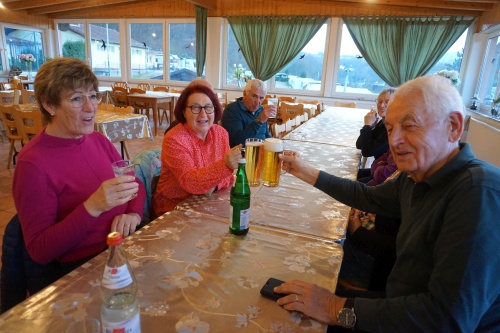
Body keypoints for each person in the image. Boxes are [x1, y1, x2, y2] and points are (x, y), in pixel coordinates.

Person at [275, 75, 500, 331]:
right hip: (398, 304)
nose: (394, 141)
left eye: (410, 125)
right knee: (286, 297)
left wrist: (335, 307)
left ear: (453, 127)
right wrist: (304, 171)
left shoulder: (479, 192)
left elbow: (447, 320)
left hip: (421, 321)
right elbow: (368, 197)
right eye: (391, 128)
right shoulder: (416, 176)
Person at [11, 58, 146, 286]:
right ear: (49, 105)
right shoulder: (32, 164)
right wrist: (93, 206)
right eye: (76, 99)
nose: (90, 107)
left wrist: (132, 214)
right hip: (84, 265)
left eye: (93, 96)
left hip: (124, 244)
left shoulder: (97, 139)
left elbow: (135, 186)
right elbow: (39, 250)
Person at [152, 84, 242, 216]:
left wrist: (213, 185)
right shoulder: (174, 139)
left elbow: (229, 177)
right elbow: (191, 183)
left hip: (209, 202)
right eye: (195, 108)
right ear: (183, 112)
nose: (203, 114)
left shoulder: (221, 133)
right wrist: (224, 166)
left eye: (208, 107)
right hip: (174, 210)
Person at [220, 79, 277, 147]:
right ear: (244, 94)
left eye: (261, 98)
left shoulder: (261, 110)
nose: (257, 102)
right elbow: (237, 142)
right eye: (254, 96)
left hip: (261, 152)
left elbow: (266, 136)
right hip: (243, 155)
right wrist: (259, 121)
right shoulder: (232, 110)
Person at [355, 88, 396, 161]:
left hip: (386, 172)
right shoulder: (383, 123)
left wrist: (367, 126)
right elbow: (359, 145)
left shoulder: (393, 130)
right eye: (379, 101)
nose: (381, 105)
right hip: (377, 168)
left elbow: (367, 152)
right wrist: (369, 127)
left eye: (387, 102)